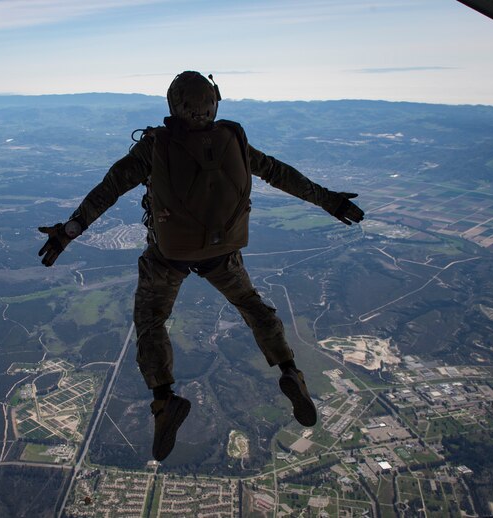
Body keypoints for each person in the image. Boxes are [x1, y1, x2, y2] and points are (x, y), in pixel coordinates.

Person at [38, 71, 364, 462]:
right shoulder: (234, 140)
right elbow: (281, 175)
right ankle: (290, 371)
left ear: (173, 104)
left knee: (151, 321)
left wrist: (69, 231)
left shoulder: (154, 146)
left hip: (168, 256)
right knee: (253, 306)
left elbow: (108, 190)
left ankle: (164, 400)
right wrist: (331, 201)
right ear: (213, 103)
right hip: (221, 253)